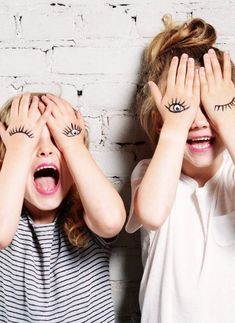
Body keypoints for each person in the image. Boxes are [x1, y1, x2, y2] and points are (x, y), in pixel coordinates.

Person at [126, 15, 235, 323]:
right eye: (185, 108)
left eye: (210, 107)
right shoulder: (150, 172)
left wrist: (227, 118)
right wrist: (175, 127)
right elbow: (151, 213)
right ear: (159, 122)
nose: (199, 120)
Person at [0, 92, 126, 323]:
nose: (46, 150)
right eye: (31, 141)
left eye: (57, 142)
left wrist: (72, 143)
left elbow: (111, 220)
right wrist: (18, 150)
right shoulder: (8, 218)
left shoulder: (87, 214)